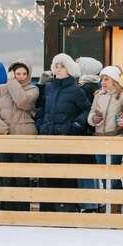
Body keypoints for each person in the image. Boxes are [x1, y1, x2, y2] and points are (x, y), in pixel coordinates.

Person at [35, 53, 95, 213]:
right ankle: (49, 210)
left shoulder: (75, 89)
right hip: (47, 138)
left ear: (69, 70)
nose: (59, 69)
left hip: (65, 139)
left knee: (65, 175)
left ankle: (67, 209)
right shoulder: (49, 87)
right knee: (48, 175)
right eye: (57, 66)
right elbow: (42, 106)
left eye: (62, 66)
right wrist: (39, 119)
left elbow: (87, 109)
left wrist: (77, 124)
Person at [0, 59, 39, 211]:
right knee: (5, 175)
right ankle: (5, 208)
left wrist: (12, 82)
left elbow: (22, 102)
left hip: (22, 138)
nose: (21, 76)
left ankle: (22, 208)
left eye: (24, 73)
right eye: (18, 73)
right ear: (12, 73)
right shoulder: (0, 90)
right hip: (4, 136)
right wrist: (0, 126)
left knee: (20, 175)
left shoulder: (33, 90)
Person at [87, 65, 123, 214]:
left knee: (114, 174)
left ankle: (116, 207)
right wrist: (93, 119)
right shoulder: (98, 95)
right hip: (99, 138)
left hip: (116, 138)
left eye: (107, 79)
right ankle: (110, 204)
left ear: (114, 80)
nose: (103, 82)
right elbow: (91, 114)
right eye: (102, 79)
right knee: (104, 176)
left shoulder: (122, 95)